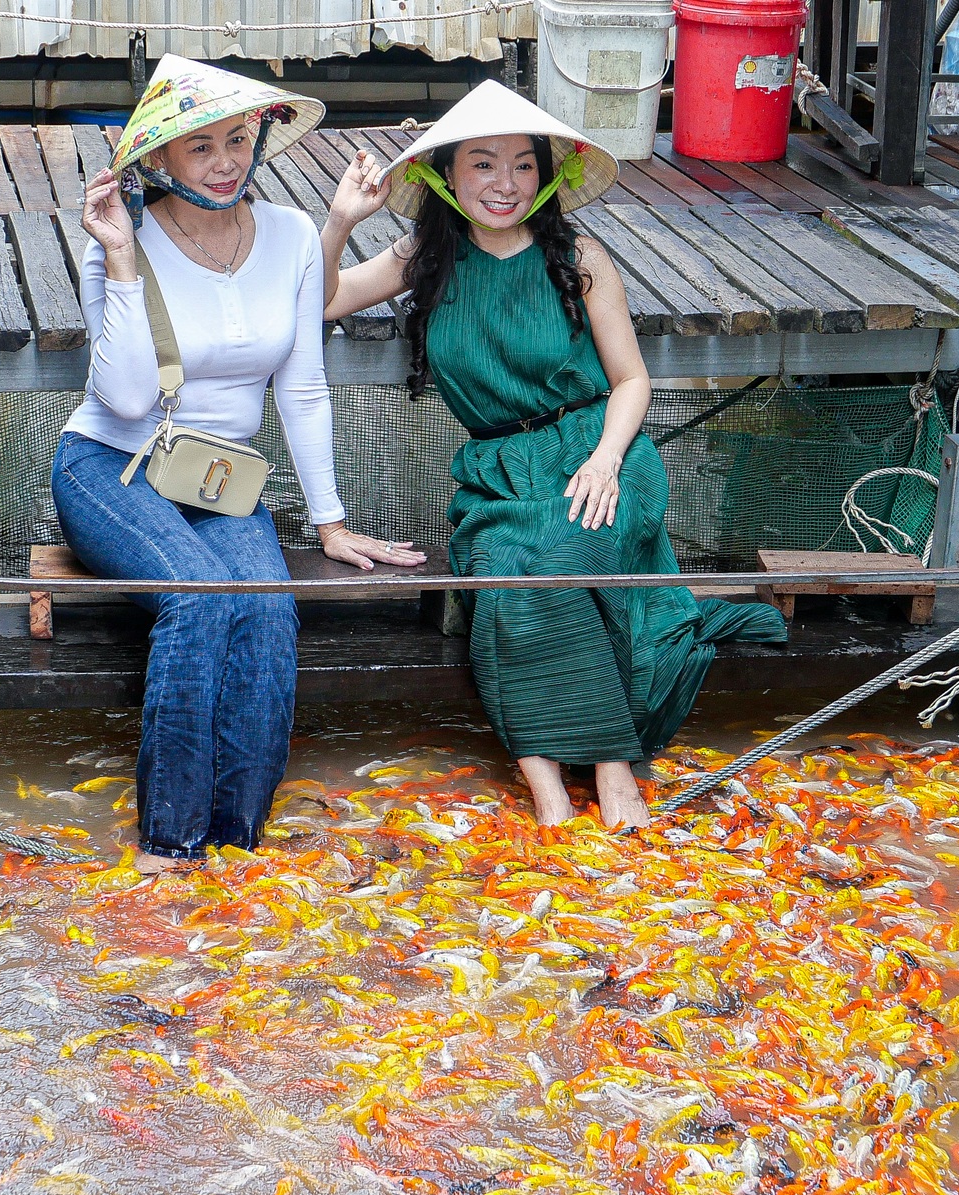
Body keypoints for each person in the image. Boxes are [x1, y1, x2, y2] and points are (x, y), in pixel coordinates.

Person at [319, 81, 789, 831]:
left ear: (547, 173)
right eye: (482, 164)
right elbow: (319, 300)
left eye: (522, 165)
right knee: (506, 571)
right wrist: (342, 222)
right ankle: (544, 781)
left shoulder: (580, 255)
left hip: (599, 451)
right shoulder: (425, 254)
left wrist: (605, 461)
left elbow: (633, 380)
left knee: (566, 547)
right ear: (446, 172)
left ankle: (608, 765)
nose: (504, 185)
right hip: (498, 474)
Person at [57, 55, 423, 869]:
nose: (223, 162)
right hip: (108, 468)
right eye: (199, 148)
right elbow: (119, 399)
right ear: (157, 160)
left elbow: (302, 386)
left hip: (218, 478)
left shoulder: (293, 236)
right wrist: (118, 258)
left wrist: (329, 521)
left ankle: (238, 846)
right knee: (199, 597)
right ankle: (170, 850)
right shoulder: (123, 236)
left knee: (264, 604)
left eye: (235, 140)